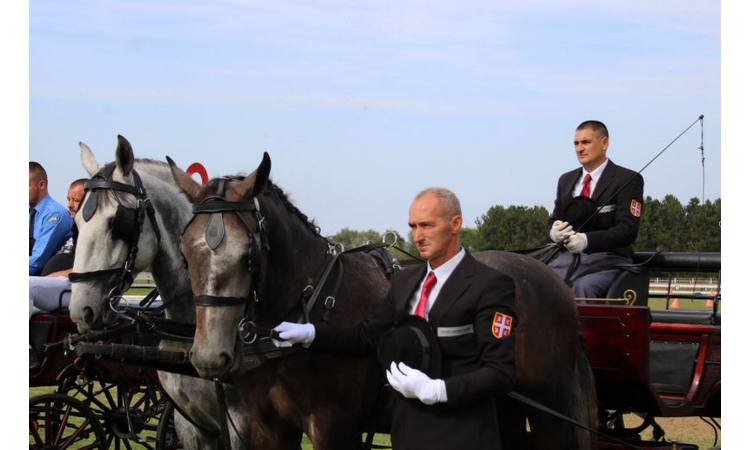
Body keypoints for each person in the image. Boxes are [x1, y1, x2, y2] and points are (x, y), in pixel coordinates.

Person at [274, 188, 517, 450]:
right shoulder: (404, 282)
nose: (418, 236)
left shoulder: (490, 285)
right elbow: (366, 337)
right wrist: (311, 334)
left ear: (455, 223)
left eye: (427, 225)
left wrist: (436, 390)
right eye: (413, 226)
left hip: (463, 437)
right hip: (407, 437)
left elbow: (500, 373)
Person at [548, 120, 644, 298]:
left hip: (609, 261)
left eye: (586, 142)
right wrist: (553, 232)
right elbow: (554, 219)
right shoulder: (566, 180)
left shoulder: (628, 179)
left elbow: (627, 231)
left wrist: (587, 241)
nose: (579, 149)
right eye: (576, 143)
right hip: (567, 260)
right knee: (535, 281)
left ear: (604, 143)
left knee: (584, 287)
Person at [29, 178, 85, 370]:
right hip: (56, 286)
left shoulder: (91, 232)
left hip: (73, 288)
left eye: (76, 200)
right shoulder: (75, 227)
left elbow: (89, 270)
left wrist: (53, 276)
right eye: (69, 199)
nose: (70, 204)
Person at [29, 162, 73, 275]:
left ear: (42, 185)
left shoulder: (55, 214)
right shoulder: (30, 213)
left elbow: (37, 261)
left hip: (48, 282)